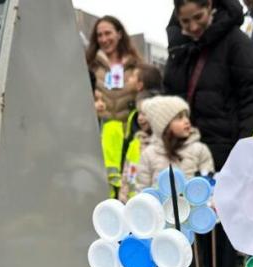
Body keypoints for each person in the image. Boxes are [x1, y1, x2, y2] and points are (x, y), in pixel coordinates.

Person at [164, 0, 253, 267]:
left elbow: (252, 94)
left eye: (198, 17)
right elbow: (169, 94)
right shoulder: (179, 48)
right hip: (185, 148)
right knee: (186, 219)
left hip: (223, 148)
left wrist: (242, 142)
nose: (193, 27)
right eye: (186, 22)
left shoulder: (235, 42)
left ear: (210, 7)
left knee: (220, 224)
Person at [86, 16, 143, 199]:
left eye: (108, 33)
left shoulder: (135, 65)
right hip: (100, 136)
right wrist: (93, 107)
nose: (104, 39)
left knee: (129, 189)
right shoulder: (90, 66)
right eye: (99, 35)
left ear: (119, 34)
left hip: (129, 138)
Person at [135, 96, 214, 190]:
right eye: (179, 118)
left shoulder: (199, 150)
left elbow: (209, 186)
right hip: (159, 204)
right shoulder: (149, 154)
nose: (187, 121)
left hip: (192, 204)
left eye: (186, 116)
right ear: (163, 126)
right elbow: (142, 189)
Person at [117, 64, 164, 202]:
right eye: (140, 114)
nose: (141, 118)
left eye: (133, 77)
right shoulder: (136, 141)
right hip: (132, 197)